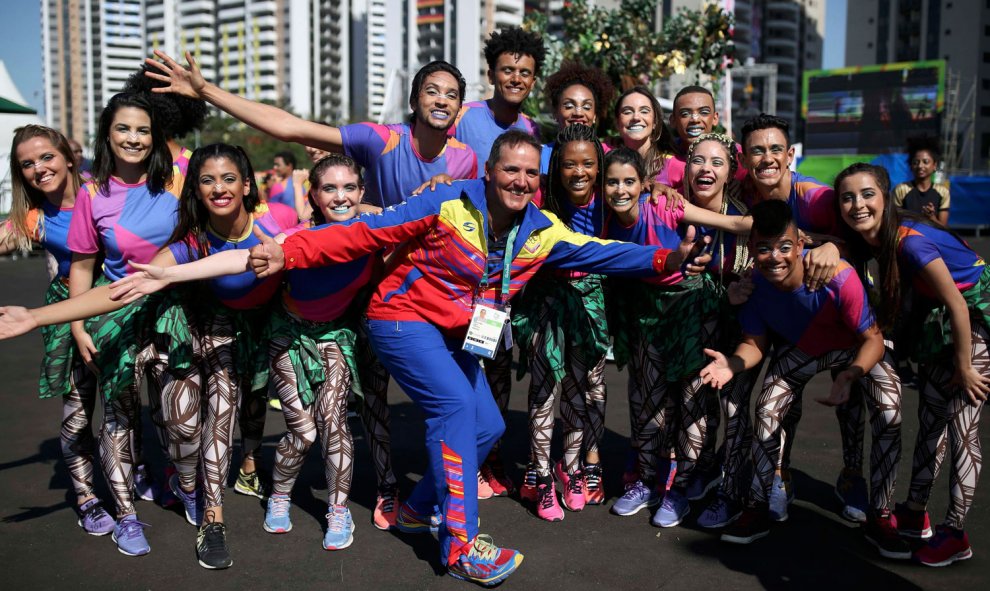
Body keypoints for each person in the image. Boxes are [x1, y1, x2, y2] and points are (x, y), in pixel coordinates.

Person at [244, 130, 709, 586]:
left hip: (457, 331)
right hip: (400, 318)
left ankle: (416, 508)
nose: (520, 181)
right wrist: (288, 252)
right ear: (489, 172)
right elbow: (364, 233)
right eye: (510, 169)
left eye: (530, 173)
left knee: (487, 425)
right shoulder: (445, 203)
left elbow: (604, 252)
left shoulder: (541, 231)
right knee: (455, 409)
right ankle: (460, 544)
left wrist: (669, 259)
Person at [146, 50, 480, 529]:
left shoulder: (466, 160)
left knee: (420, 403)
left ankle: (415, 491)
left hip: (415, 289)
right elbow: (289, 127)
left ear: (461, 108)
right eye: (432, 90)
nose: (442, 100)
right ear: (413, 99)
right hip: (365, 285)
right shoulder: (381, 140)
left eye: (452, 94)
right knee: (357, 406)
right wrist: (206, 92)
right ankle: (352, 491)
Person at [112, 152, 374, 555]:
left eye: (350, 188)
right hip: (283, 331)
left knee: (334, 422)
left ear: (362, 191)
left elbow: (413, 217)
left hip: (334, 335)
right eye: (330, 188)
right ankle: (278, 493)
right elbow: (238, 258)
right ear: (314, 195)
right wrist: (166, 275)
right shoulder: (294, 234)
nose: (340, 196)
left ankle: (338, 509)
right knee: (301, 432)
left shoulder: (377, 227)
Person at [699, 199, 906, 560]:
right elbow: (754, 344)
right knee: (766, 411)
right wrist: (732, 364)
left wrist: (850, 375)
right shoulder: (756, 286)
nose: (774, 257)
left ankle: (882, 514)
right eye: (763, 248)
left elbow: (872, 339)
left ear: (799, 246)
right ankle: (757, 507)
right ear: (752, 250)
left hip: (854, 346)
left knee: (890, 412)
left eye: (783, 247)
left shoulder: (838, 276)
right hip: (806, 349)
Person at [836, 162, 988, 566]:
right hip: (940, 319)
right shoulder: (874, 242)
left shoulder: (909, 242)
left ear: (886, 197)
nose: (857, 204)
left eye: (868, 194)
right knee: (932, 422)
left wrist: (966, 365)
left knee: (962, 429)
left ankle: (956, 533)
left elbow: (958, 302)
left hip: (973, 318)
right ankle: (914, 510)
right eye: (847, 197)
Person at [601, 144, 751, 526]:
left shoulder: (668, 205)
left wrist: (808, 234)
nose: (620, 189)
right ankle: (648, 481)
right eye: (612, 182)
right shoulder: (606, 214)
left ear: (642, 183)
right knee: (648, 399)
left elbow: (736, 225)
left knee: (691, 404)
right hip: (645, 312)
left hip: (690, 310)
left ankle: (680, 488)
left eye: (629, 182)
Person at [738, 112, 870, 522]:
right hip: (781, 311)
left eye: (775, 149)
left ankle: (851, 475)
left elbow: (867, 225)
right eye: (757, 150)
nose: (767, 158)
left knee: (852, 395)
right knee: (783, 402)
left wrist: (838, 248)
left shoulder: (814, 197)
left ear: (790, 154)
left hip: (836, 310)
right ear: (744, 158)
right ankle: (780, 474)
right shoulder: (743, 191)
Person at [69, 91, 178, 556]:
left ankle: (175, 479)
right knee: (118, 418)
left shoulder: (177, 179)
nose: (133, 138)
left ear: (156, 137)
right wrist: (78, 327)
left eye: (143, 130)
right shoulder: (92, 194)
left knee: (178, 418)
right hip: (116, 316)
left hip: (174, 315)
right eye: (123, 129)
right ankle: (126, 517)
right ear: (107, 134)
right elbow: (81, 266)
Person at [0, 125, 111, 535]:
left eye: (46, 157)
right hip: (67, 312)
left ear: (69, 157)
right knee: (77, 412)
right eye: (27, 163)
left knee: (126, 409)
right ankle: (86, 497)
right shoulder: (33, 218)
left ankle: (139, 475)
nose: (38, 168)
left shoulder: (104, 194)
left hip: (121, 305)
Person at [452, 26, 545, 177]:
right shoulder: (461, 116)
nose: (516, 79)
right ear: (491, 76)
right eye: (507, 71)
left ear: (533, 82)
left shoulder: (532, 129)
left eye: (525, 73)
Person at [657, 86, 746, 192]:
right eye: (685, 114)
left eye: (704, 112)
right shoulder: (662, 158)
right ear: (673, 120)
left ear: (715, 118)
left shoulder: (736, 154)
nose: (695, 119)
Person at [539, 61, 615, 174]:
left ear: (594, 115)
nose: (578, 113)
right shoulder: (539, 156)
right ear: (555, 112)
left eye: (587, 107)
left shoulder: (609, 156)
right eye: (569, 106)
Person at [609, 85, 676, 182]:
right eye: (627, 112)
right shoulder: (603, 157)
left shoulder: (674, 166)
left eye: (644, 111)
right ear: (617, 123)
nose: (636, 117)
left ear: (655, 121)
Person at [893, 136, 950, 225]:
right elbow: (894, 222)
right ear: (911, 166)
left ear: (934, 165)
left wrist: (932, 218)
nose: (920, 166)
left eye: (925, 162)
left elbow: (944, 229)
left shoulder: (943, 192)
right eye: (916, 162)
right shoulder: (901, 190)